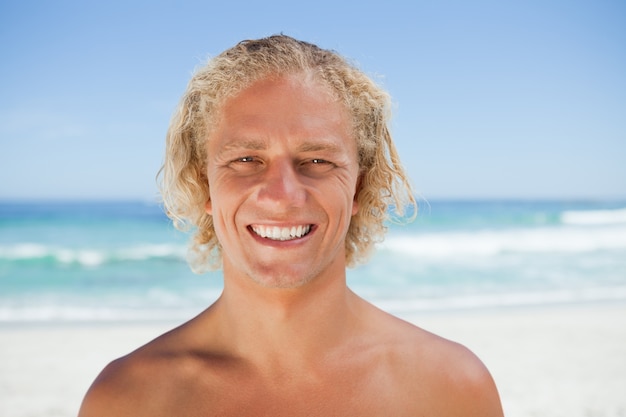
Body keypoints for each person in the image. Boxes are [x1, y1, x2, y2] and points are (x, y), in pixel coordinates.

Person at [79, 34, 503, 416]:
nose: (282, 195)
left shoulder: (451, 389)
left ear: (359, 186)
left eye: (317, 161)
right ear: (202, 181)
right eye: (246, 160)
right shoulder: (126, 400)